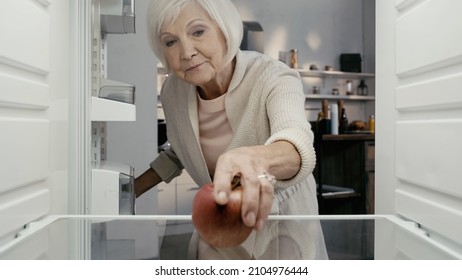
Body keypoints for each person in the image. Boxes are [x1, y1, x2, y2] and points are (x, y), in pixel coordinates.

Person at [137, 0, 328, 259]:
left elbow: (296, 146)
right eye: (170, 41)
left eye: (198, 32)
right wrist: (129, 191)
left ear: (225, 30)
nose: (186, 52)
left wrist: (253, 158)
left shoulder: (273, 76)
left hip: (280, 225)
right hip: (218, 224)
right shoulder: (173, 92)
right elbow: (182, 150)